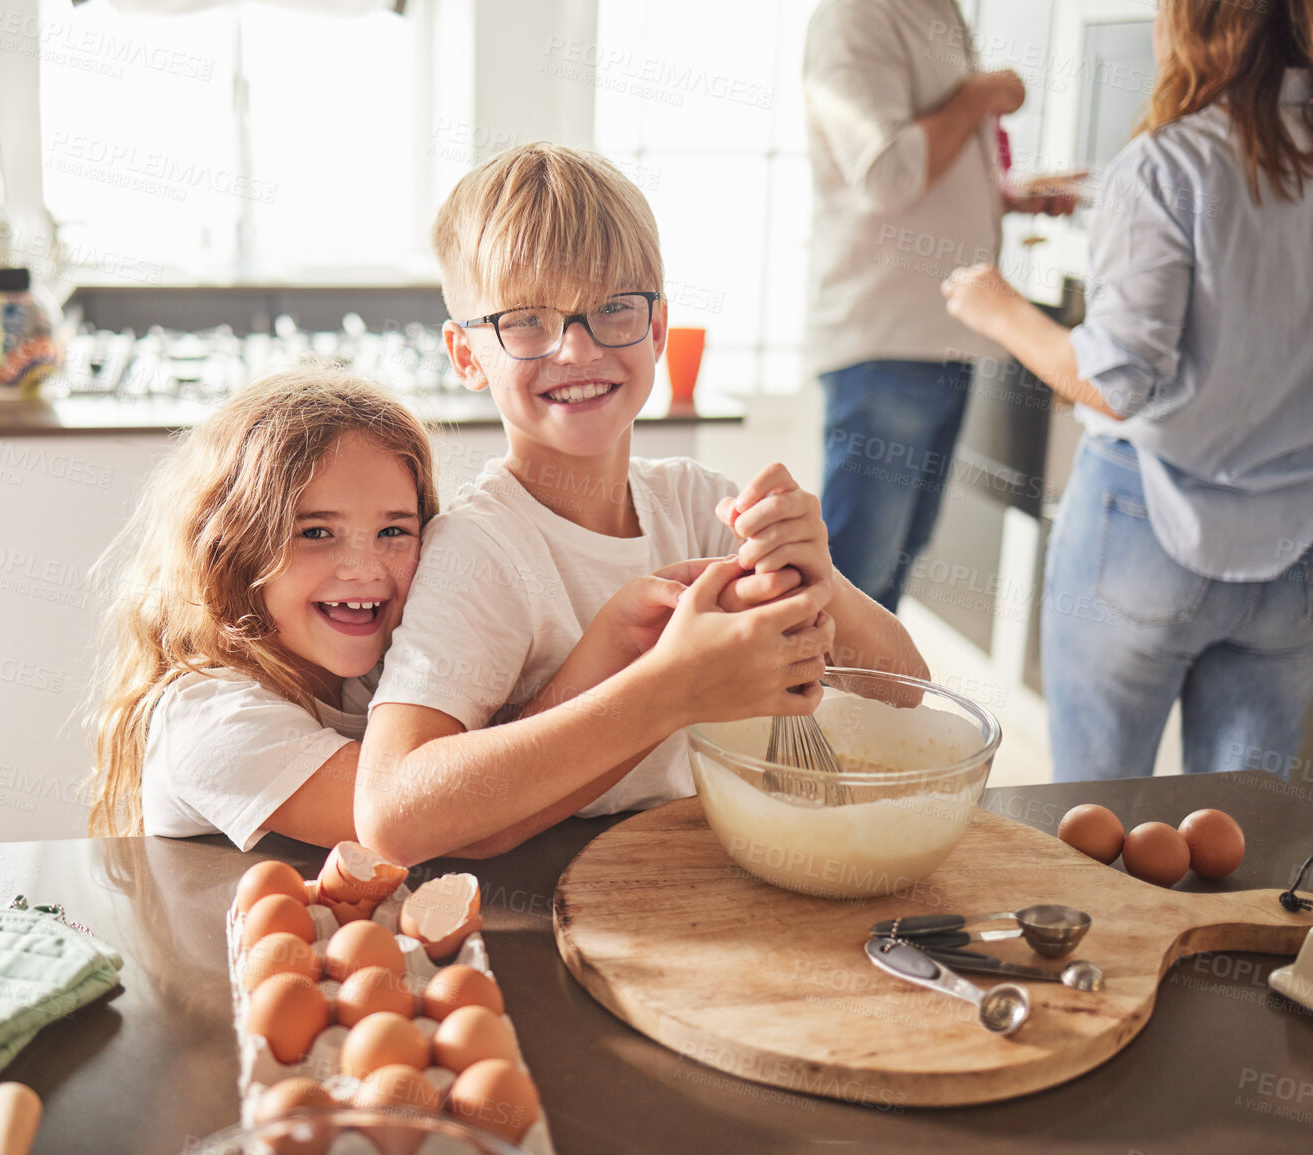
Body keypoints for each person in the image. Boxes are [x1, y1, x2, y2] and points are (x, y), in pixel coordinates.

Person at [354, 142, 929, 866]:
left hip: (692, 876)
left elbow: (901, 692)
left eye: (614, 308)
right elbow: (389, 813)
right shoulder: (481, 549)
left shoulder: (701, 506)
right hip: (548, 897)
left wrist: (822, 583)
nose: (575, 349)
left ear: (656, 329)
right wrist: (665, 692)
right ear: (467, 356)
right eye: (527, 320)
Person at [941, 0, 1313, 781]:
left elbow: (1115, 384)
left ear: (1191, 23)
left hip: (1145, 529)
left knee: (1097, 831)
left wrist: (998, 308)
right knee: (1239, 841)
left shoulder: (1169, 162)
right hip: (1291, 552)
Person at [85, 367, 441, 848]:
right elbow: (433, 815)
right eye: (316, 532)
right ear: (236, 548)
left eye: (393, 532)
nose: (363, 568)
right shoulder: (210, 718)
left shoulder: (375, 678)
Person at [804, 0, 1076, 611]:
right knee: (855, 580)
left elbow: (920, 173)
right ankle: (818, 711)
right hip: (887, 341)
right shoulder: (857, 17)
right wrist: (978, 95)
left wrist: (1003, 198)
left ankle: (859, 709)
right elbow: (886, 176)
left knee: (892, 567)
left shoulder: (938, 11)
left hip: (937, 339)